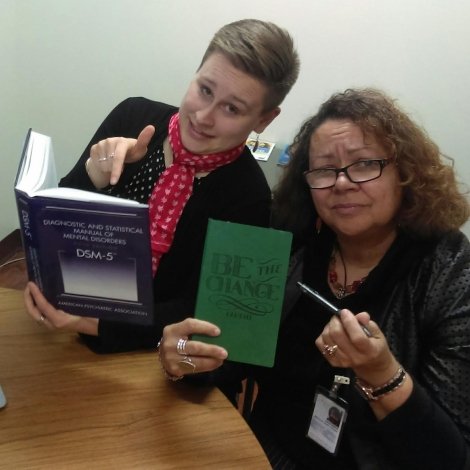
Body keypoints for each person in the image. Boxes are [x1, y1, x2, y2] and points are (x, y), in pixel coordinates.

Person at [157, 88, 470, 469]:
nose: (341, 183)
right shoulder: (294, 245)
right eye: (324, 169)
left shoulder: (451, 272)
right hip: (264, 454)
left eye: (364, 164)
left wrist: (381, 375)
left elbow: (451, 457)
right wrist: (187, 357)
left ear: (404, 171)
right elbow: (233, 360)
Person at [24, 19, 300, 353]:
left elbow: (205, 314)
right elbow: (56, 224)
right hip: (58, 327)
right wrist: (93, 176)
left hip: (152, 356)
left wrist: (87, 322)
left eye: (231, 108)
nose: (203, 117)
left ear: (264, 119)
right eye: (205, 90)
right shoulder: (133, 118)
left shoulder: (249, 197)